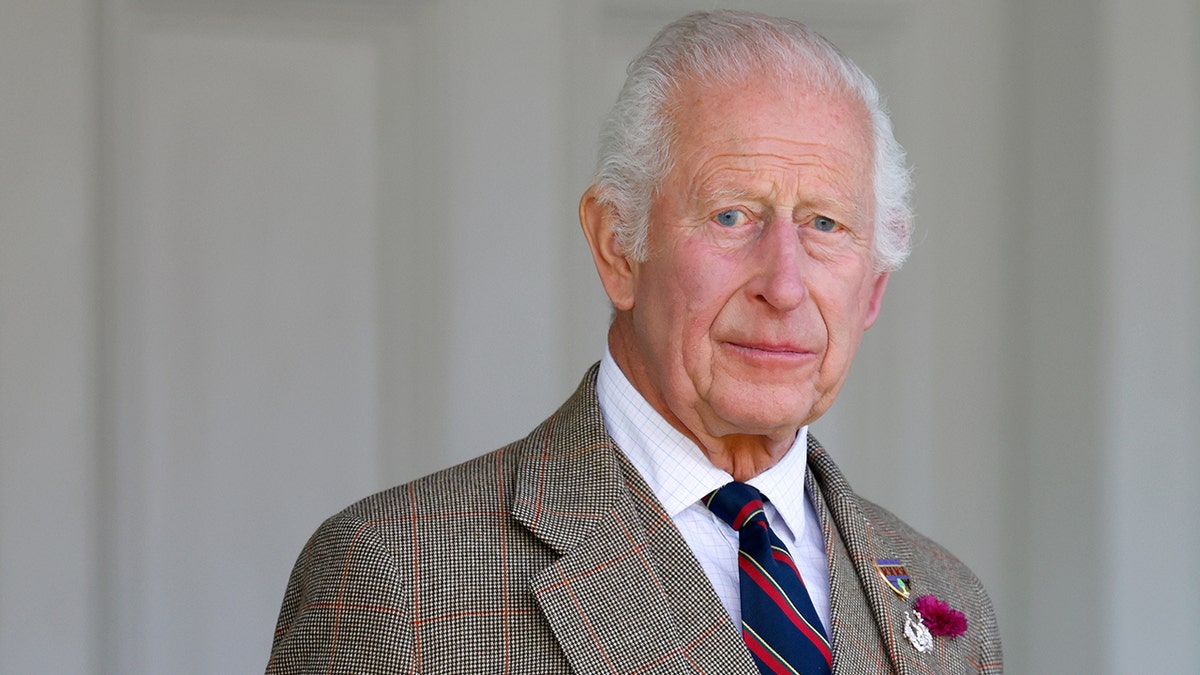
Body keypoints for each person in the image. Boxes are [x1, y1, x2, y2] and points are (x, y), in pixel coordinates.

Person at [267, 10, 1002, 674]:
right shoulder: (395, 581)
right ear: (617, 246)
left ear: (872, 288)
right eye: (731, 215)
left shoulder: (951, 601)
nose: (784, 285)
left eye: (825, 224)